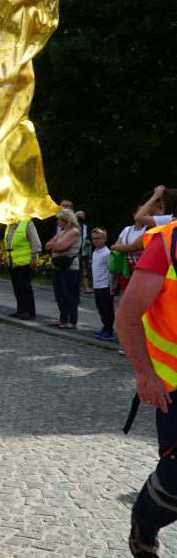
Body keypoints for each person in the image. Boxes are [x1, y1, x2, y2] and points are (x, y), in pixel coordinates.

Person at [117, 219, 177, 558]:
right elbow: (127, 315)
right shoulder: (168, 243)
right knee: (176, 477)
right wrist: (145, 374)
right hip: (174, 387)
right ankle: (144, 524)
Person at [45, 208, 82, 329]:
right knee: (59, 294)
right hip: (57, 266)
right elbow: (47, 245)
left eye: (59, 220)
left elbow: (60, 247)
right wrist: (56, 245)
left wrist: (55, 246)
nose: (58, 222)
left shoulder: (74, 231)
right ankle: (63, 319)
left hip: (69, 267)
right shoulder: (62, 232)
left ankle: (72, 321)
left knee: (69, 294)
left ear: (66, 220)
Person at [4, 219, 42, 319]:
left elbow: (35, 242)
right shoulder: (8, 225)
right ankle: (21, 310)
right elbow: (9, 243)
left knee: (25, 287)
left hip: (26, 262)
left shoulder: (27, 223)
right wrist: (6, 257)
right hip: (13, 262)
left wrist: (34, 258)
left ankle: (29, 312)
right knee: (17, 287)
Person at [90, 227, 115, 340]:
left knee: (107, 309)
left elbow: (111, 269)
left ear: (105, 239)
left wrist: (113, 285)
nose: (96, 241)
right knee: (100, 308)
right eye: (94, 238)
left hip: (105, 285)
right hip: (97, 285)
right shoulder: (95, 252)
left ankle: (109, 330)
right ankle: (105, 327)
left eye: (99, 238)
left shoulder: (107, 253)